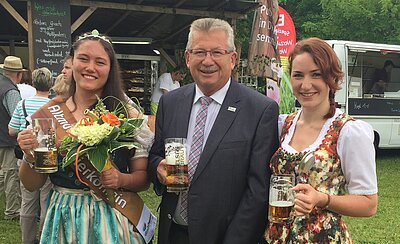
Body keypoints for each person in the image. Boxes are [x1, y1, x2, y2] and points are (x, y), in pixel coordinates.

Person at [148, 18, 279, 244]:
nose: (207, 61)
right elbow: (155, 155)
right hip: (173, 233)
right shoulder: (170, 103)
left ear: (232, 58)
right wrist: (157, 167)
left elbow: (258, 190)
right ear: (188, 58)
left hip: (224, 236)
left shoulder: (259, 110)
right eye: (199, 52)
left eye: (217, 52)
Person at [17, 30, 154, 243]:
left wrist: (121, 179)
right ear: (71, 63)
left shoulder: (127, 114)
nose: (90, 68)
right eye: (83, 59)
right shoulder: (49, 114)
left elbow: (143, 178)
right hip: (64, 218)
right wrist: (29, 155)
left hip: (112, 217)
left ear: (110, 69)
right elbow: (32, 184)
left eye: (100, 62)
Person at [265, 37, 378, 243]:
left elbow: (369, 204)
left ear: (331, 78)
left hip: (323, 237)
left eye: (316, 74)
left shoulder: (348, 131)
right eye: (298, 75)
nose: (305, 85)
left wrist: (322, 199)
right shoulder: (283, 125)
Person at [9, 67, 54, 244]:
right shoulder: (55, 106)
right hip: (48, 156)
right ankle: (44, 237)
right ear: (51, 84)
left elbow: (12, 130)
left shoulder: (23, 104)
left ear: (33, 83)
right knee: (46, 200)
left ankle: (27, 240)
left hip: (26, 157)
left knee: (27, 201)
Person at [0, 55, 25, 221]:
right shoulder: (10, 91)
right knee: (11, 175)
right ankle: (12, 211)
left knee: (2, 175)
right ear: (19, 74)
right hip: (7, 139)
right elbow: (18, 116)